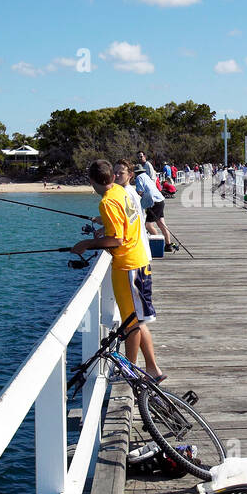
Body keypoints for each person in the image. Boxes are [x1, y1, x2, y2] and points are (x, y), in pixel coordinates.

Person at [70, 158, 164, 377]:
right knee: (137, 320)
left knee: (131, 323)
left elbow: (117, 239)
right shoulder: (121, 192)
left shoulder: (107, 202)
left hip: (128, 266)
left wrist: (86, 244)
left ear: (92, 181)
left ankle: (129, 369)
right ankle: (152, 368)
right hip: (137, 261)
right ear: (112, 177)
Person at [135, 156, 176, 250]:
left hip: (153, 202)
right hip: (160, 200)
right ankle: (168, 244)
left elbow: (139, 192)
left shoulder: (139, 178)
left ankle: (158, 244)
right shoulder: (146, 176)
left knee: (148, 225)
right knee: (161, 223)